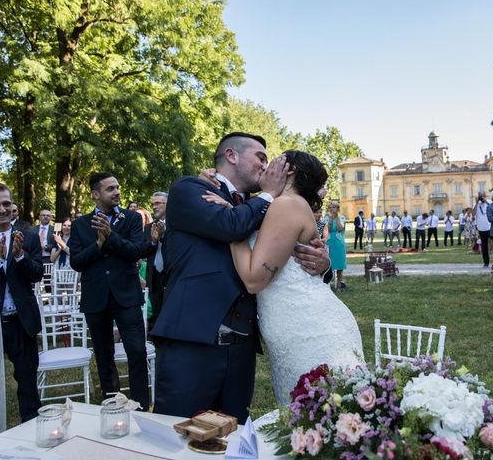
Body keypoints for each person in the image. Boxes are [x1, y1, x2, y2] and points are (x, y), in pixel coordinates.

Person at [151, 132, 330, 422]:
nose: (267, 166)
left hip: (242, 349)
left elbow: (289, 249)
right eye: (261, 157)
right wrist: (269, 195)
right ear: (231, 155)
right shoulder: (190, 188)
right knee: (178, 435)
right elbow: (231, 225)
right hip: (193, 342)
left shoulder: (263, 205)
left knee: (235, 439)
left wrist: (322, 263)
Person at [204, 150, 363, 404]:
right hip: (295, 325)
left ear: (289, 171)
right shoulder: (278, 204)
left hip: (308, 328)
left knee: (320, 418)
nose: (265, 165)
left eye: (273, 160)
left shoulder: (287, 205)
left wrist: (230, 222)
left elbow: (254, 279)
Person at [69, 172, 149, 410]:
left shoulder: (132, 218)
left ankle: (139, 406)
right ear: (95, 194)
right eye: (110, 189)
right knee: (104, 355)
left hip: (126, 296)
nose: (117, 192)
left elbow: (136, 250)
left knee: (136, 351)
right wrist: (98, 245)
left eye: (117, 187)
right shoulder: (80, 225)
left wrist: (111, 237)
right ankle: (112, 402)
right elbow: (77, 262)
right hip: (96, 298)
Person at [0, 182, 44, 422]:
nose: (1, 209)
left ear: (12, 205)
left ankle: (32, 429)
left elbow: (36, 274)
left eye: (5, 203)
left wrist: (19, 256)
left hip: (22, 321)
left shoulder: (29, 238)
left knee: (27, 383)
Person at [140, 192, 168, 332]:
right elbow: (143, 252)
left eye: (158, 203)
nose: (154, 207)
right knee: (157, 314)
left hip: (172, 275)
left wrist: (164, 237)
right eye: (153, 204)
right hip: (154, 277)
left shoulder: (178, 226)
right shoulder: (148, 228)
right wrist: (153, 241)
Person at [326, 200, 347, 289]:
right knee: (328, 264)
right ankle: (328, 284)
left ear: (338, 208)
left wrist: (336, 217)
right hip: (329, 243)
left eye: (335, 207)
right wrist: (331, 218)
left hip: (339, 244)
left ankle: (339, 284)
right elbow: (328, 229)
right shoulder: (326, 218)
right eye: (331, 206)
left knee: (339, 265)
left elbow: (340, 228)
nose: (332, 208)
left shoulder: (342, 217)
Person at [474, 192, 491, 267]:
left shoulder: (489, 202)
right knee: (484, 246)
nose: (482, 198)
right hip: (481, 228)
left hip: (491, 227)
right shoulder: (477, 205)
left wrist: (486, 201)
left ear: (485, 196)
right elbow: (473, 213)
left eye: (483, 196)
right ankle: (486, 262)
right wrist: (477, 203)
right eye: (480, 196)